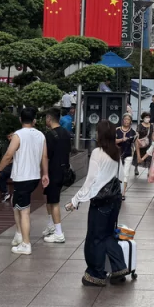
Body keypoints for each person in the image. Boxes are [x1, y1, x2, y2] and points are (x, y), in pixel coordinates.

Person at [68, 120, 127, 286]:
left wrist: (76, 199)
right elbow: (121, 177)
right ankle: (119, 267)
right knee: (108, 235)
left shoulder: (97, 153)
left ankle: (96, 274)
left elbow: (91, 181)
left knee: (95, 238)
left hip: (101, 202)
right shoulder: (116, 151)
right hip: (114, 200)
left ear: (100, 135)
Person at [0, 108, 48, 256]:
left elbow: (8, 155)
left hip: (22, 177)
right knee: (16, 204)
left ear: (20, 119)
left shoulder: (18, 135)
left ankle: (26, 243)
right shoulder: (40, 135)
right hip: (34, 177)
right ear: (35, 120)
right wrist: (45, 174)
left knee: (24, 210)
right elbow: (44, 157)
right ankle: (19, 234)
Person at [42, 109, 72, 243]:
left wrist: (45, 173)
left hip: (53, 171)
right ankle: (51, 226)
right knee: (49, 199)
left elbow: (46, 155)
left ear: (49, 118)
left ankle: (59, 233)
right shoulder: (66, 133)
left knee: (54, 202)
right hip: (63, 170)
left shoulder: (49, 135)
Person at [115, 114, 137, 198]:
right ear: (122, 120)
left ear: (131, 121)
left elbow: (136, 143)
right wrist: (121, 140)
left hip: (128, 154)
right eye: (125, 119)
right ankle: (116, 190)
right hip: (117, 154)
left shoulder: (133, 132)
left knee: (126, 173)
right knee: (117, 173)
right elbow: (112, 141)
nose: (126, 121)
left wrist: (138, 155)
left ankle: (123, 192)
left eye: (128, 119)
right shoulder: (117, 130)